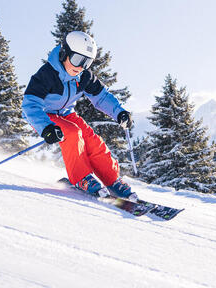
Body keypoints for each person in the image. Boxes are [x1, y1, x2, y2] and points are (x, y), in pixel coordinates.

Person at [22, 31, 136, 199]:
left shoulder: (84, 76)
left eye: (86, 62)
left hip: (67, 113)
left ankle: (112, 179)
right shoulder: (47, 74)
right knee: (72, 134)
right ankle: (81, 178)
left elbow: (102, 97)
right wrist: (45, 127)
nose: (80, 66)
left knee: (92, 139)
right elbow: (30, 105)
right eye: (77, 59)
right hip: (45, 115)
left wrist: (119, 112)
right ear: (63, 54)